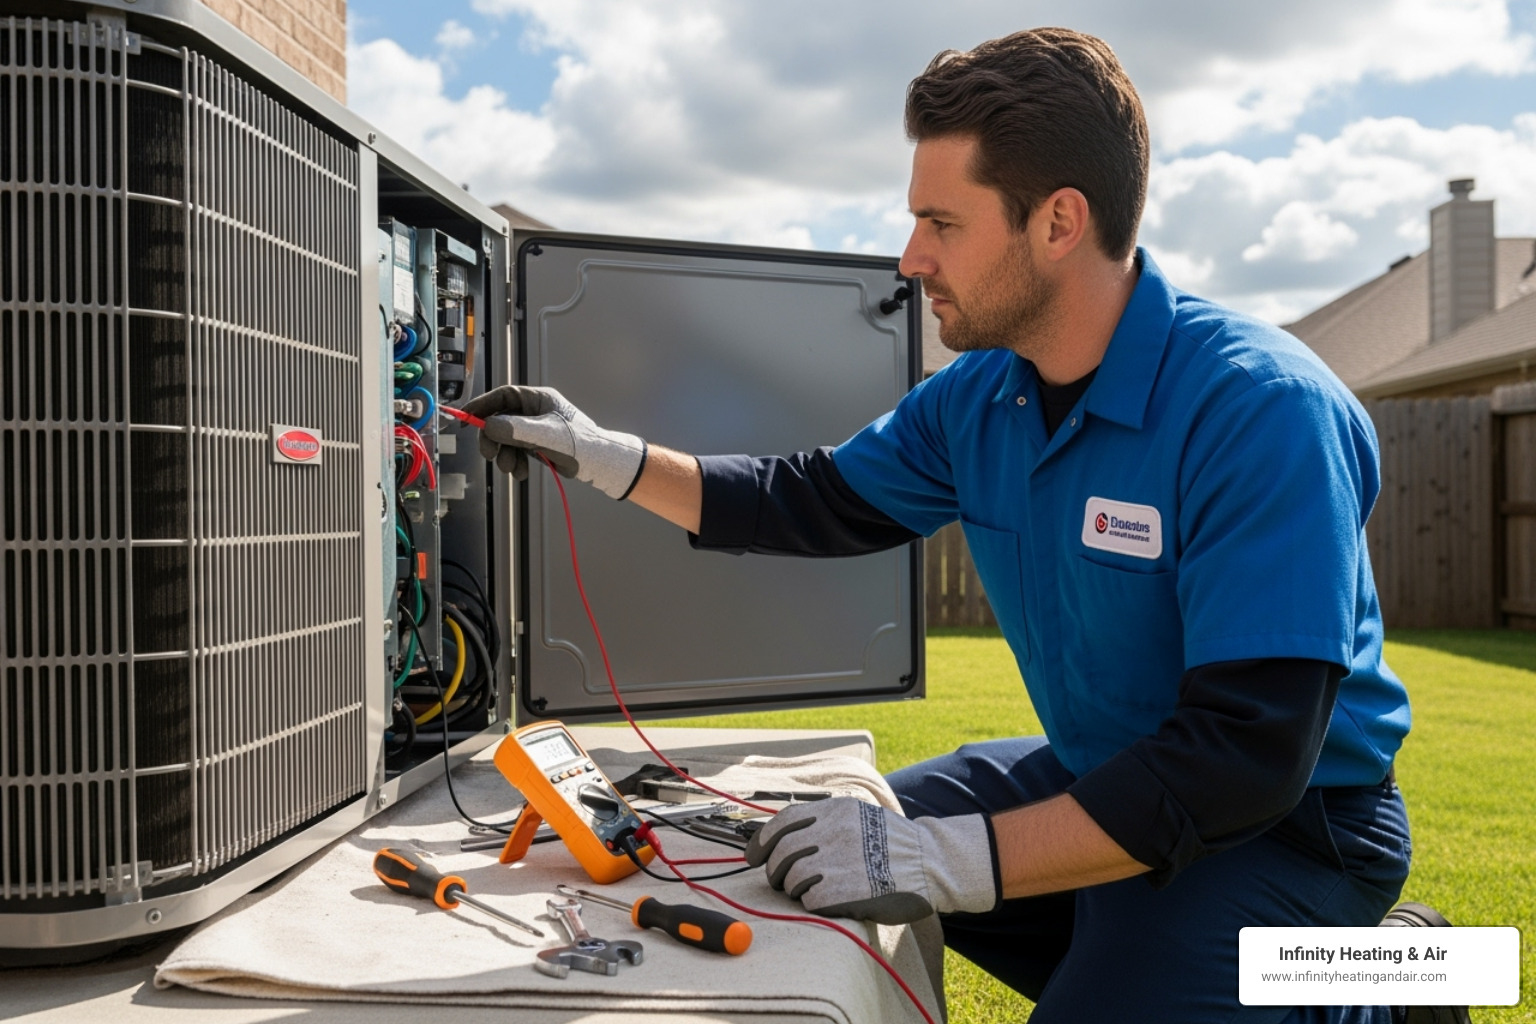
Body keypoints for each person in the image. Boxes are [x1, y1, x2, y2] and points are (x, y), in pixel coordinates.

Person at [463, 27, 1454, 1024]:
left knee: (980, 901)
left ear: (1058, 222)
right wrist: (604, 456)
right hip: (1104, 770)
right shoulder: (981, 396)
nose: (911, 258)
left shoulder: (1261, 409)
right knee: (824, 850)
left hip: (1287, 826)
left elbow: (1246, 755)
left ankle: (1396, 986)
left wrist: (949, 857)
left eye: (941, 222)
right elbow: (814, 497)